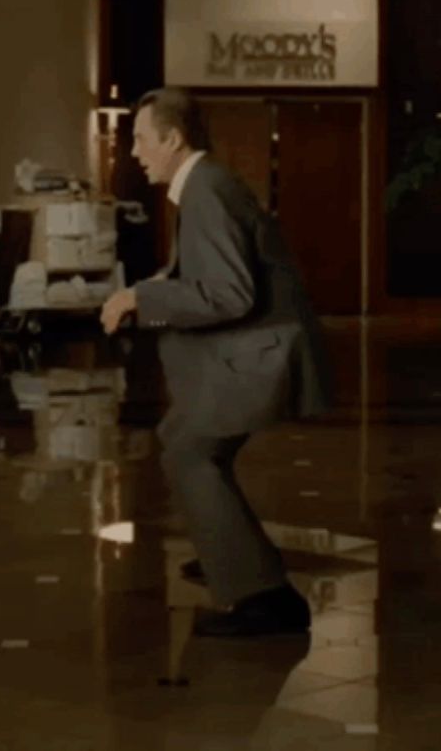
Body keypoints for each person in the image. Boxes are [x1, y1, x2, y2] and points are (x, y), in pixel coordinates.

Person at [100, 87, 332, 637]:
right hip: (261, 350)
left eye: (140, 139)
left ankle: (265, 597)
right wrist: (152, 288)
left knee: (189, 454)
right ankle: (229, 551)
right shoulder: (206, 184)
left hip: (261, 357)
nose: (134, 151)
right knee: (182, 437)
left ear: (173, 139)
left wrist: (140, 299)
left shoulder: (204, 189)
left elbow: (230, 293)